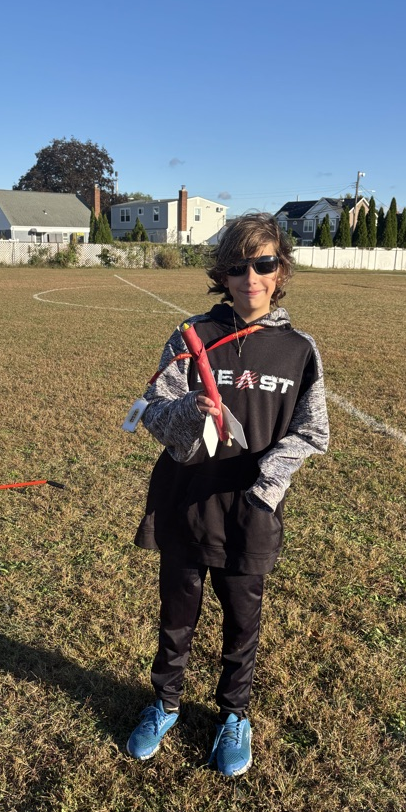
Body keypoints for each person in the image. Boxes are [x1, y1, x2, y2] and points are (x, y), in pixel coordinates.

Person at [127, 213, 330, 776]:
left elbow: (313, 433)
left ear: (280, 269)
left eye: (263, 264)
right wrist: (190, 412)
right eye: (239, 267)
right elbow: (153, 414)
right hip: (186, 500)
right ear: (224, 273)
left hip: (250, 510)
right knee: (177, 612)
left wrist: (265, 489)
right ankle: (166, 702)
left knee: (243, 618)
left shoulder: (299, 350)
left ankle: (234, 714)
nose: (251, 278)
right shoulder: (192, 335)